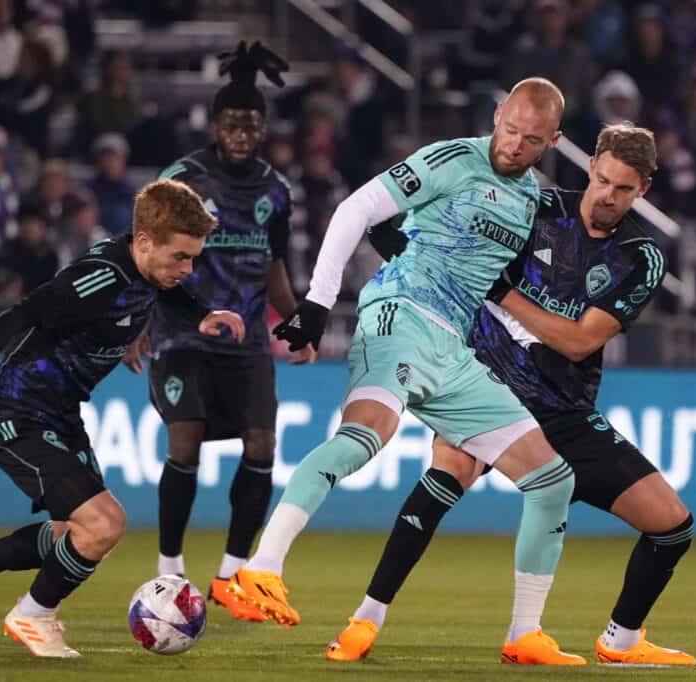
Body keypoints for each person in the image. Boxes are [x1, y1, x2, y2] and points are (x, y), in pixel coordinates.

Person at [230, 77, 585, 665]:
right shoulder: (454, 158)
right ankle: (261, 567)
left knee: (553, 480)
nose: (515, 145)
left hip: (454, 347)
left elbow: (489, 283)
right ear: (498, 114)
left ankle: (524, 633)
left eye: (532, 140)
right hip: (400, 314)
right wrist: (317, 303)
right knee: (361, 440)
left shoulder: (529, 200)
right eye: (511, 129)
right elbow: (358, 208)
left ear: (554, 140)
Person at [330, 124, 696, 666]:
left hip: (564, 409)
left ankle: (621, 641)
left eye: (622, 189)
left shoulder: (641, 257)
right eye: (601, 181)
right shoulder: (533, 206)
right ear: (590, 166)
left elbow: (577, 343)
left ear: (642, 190)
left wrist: (498, 291)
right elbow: (421, 234)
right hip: (486, 382)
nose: (606, 196)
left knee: (672, 526)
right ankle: (364, 620)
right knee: (446, 472)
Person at [0, 179, 244, 657]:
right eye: (181, 257)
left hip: (60, 413)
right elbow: (27, 313)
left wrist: (200, 314)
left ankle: (33, 613)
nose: (188, 269)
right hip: (17, 409)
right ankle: (32, 616)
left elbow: (164, 292)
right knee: (104, 524)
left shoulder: (144, 272)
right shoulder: (99, 277)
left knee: (75, 534)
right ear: (145, 242)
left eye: (193, 257)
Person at [121, 42, 313, 624]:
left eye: (251, 123)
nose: (241, 132)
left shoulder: (276, 191)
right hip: (182, 334)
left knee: (263, 447)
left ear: (263, 128)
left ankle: (232, 575)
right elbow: (142, 251)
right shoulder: (182, 181)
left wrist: (298, 323)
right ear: (214, 124)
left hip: (247, 341)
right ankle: (169, 568)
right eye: (231, 122)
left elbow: (275, 267)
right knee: (186, 438)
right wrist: (133, 318)